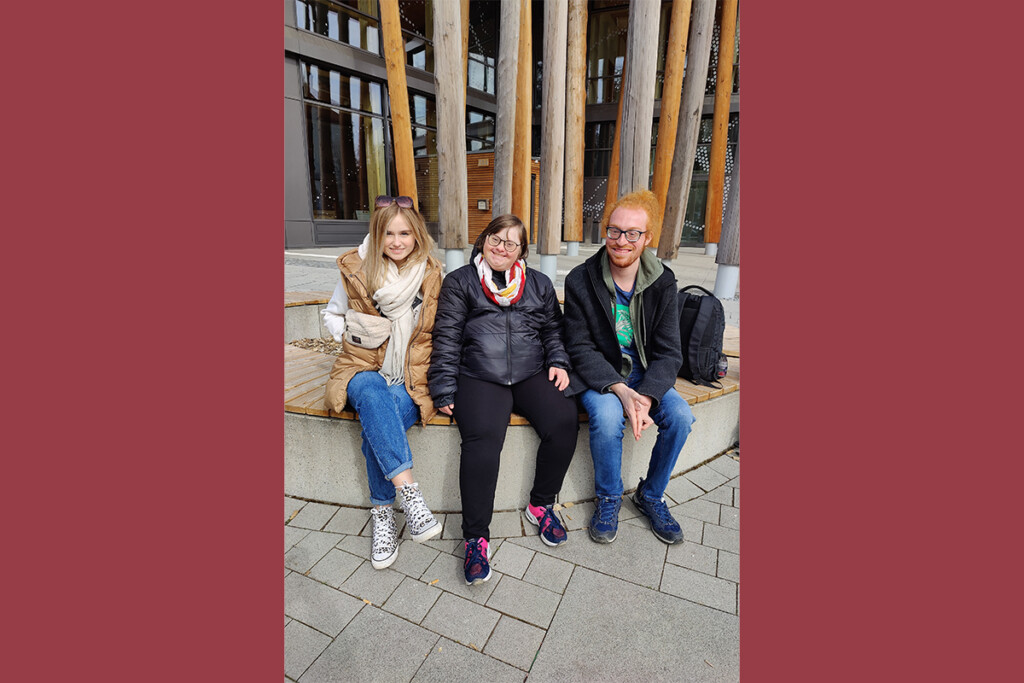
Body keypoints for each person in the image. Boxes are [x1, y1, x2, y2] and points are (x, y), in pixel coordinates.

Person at [429, 214, 578, 585]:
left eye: (511, 243)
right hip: (479, 374)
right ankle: (476, 538)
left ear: (521, 251)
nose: (501, 247)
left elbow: (553, 331)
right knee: (482, 442)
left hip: (530, 372)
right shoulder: (460, 282)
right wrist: (444, 387)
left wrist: (558, 361)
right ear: (483, 241)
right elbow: (446, 337)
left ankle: (540, 504)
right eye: (495, 238)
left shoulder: (539, 284)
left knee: (564, 421)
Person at [562, 189, 695, 545]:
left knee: (681, 417)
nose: (621, 241)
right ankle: (608, 498)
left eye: (632, 233)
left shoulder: (662, 281)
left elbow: (669, 352)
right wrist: (620, 390)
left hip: (647, 373)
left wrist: (647, 396)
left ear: (647, 238)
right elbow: (579, 346)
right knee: (606, 419)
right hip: (602, 375)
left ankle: (650, 495)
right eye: (614, 231)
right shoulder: (580, 279)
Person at [321, 195, 443, 570]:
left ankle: (383, 515)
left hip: (409, 379)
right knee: (371, 392)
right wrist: (353, 332)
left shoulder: (432, 273)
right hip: (360, 367)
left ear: (417, 234)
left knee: (378, 415)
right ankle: (411, 495)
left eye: (404, 232)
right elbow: (332, 314)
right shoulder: (359, 269)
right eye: (388, 232)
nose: (396, 240)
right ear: (377, 234)